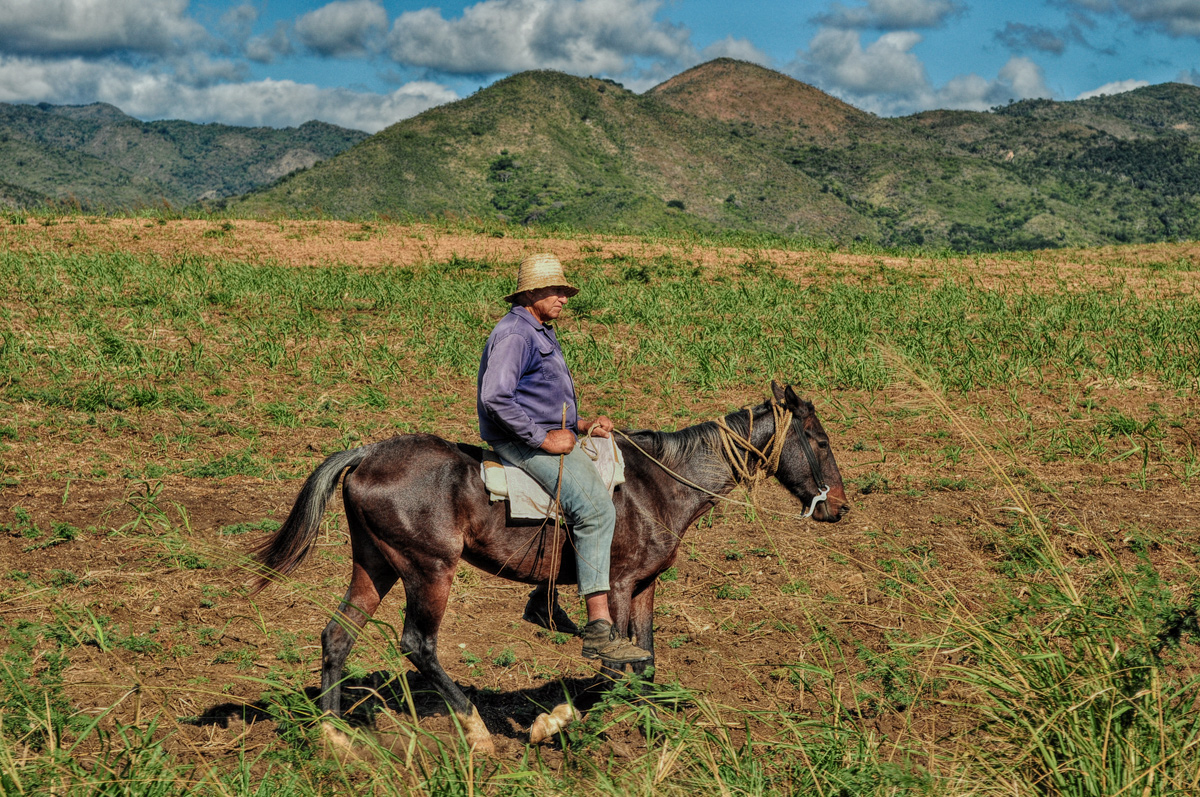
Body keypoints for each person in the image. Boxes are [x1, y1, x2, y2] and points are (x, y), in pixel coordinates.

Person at [477, 252, 651, 665]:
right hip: (522, 442)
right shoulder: (517, 335)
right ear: (531, 293)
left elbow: (538, 397)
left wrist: (582, 422)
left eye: (564, 291)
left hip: (550, 435)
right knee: (595, 510)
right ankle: (598, 629)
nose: (564, 298)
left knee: (597, 480)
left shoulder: (539, 329)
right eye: (555, 290)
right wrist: (544, 439)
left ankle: (545, 596)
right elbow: (495, 397)